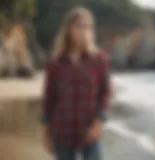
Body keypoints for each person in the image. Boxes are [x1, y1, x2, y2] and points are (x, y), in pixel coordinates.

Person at [43, 7, 111, 160]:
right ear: (69, 29)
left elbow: (106, 92)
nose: (84, 31)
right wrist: (46, 133)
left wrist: (99, 121)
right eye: (79, 26)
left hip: (90, 131)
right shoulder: (55, 63)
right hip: (62, 130)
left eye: (88, 27)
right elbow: (49, 98)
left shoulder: (100, 60)